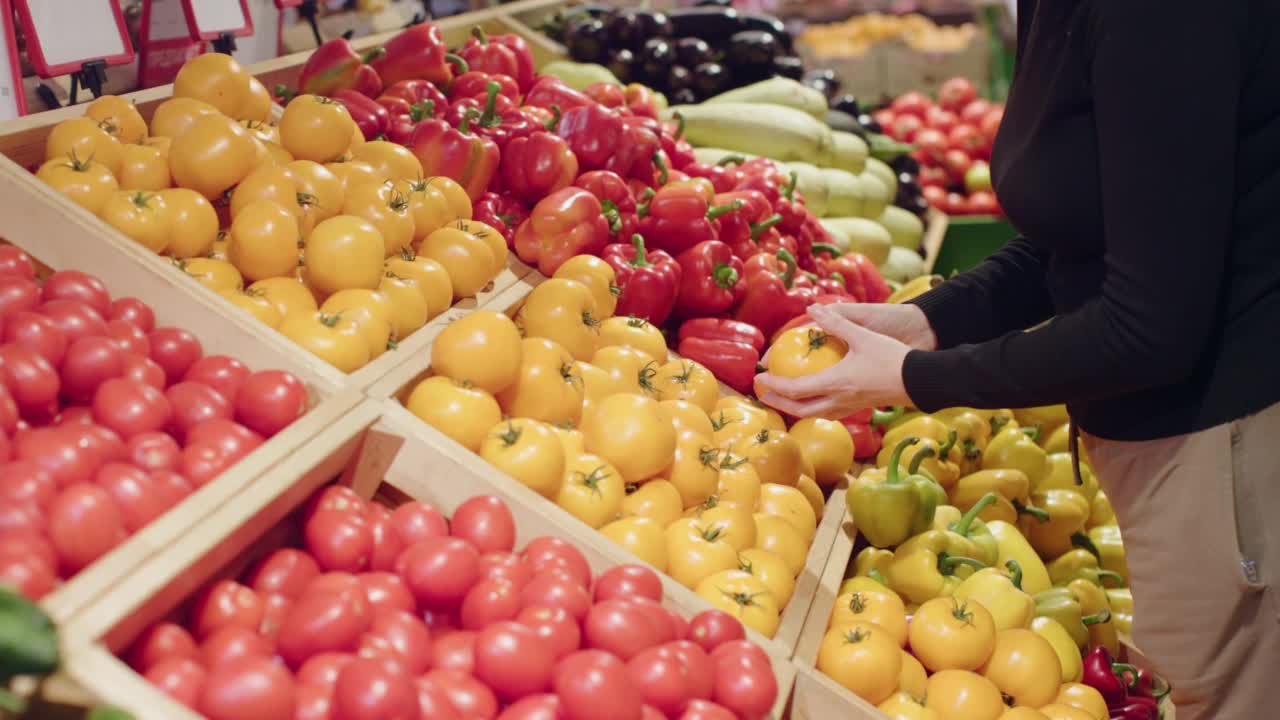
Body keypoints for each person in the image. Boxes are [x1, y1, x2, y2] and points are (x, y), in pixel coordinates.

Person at [756, 1, 1280, 717]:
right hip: (1162, 441)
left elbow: (1151, 325)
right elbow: (1086, 222)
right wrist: (930, 320)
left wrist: (921, 380)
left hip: (1228, 442)